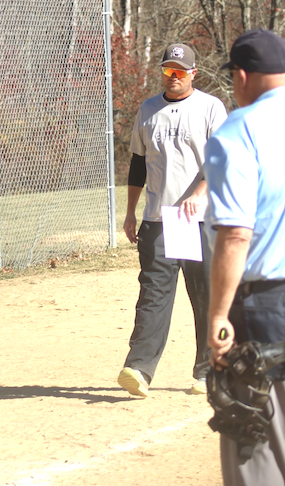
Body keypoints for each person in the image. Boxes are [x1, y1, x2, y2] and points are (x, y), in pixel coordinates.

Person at [118, 43, 227, 398]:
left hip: (198, 219)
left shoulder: (210, 108)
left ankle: (208, 370)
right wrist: (131, 211)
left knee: (205, 295)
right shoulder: (148, 110)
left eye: (180, 71)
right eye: (168, 70)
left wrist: (201, 193)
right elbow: (138, 163)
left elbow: (220, 161)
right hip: (159, 219)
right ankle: (138, 368)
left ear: (194, 73)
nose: (174, 76)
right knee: (153, 294)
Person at [205, 28, 285, 486]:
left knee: (254, 441)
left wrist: (218, 316)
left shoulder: (239, 129)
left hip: (263, 310)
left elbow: (236, 234)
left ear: (241, 76)